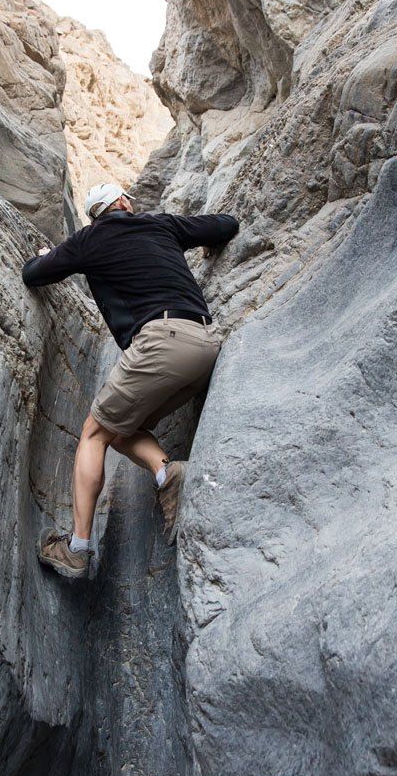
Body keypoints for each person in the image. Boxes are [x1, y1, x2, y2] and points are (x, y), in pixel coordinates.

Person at [22, 181, 239, 579]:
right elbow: (225, 224)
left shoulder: (89, 240)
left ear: (97, 214)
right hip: (205, 347)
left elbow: (34, 274)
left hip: (160, 343)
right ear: (123, 202)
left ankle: (78, 547)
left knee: (93, 433)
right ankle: (165, 472)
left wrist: (47, 256)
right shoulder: (161, 225)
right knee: (121, 429)